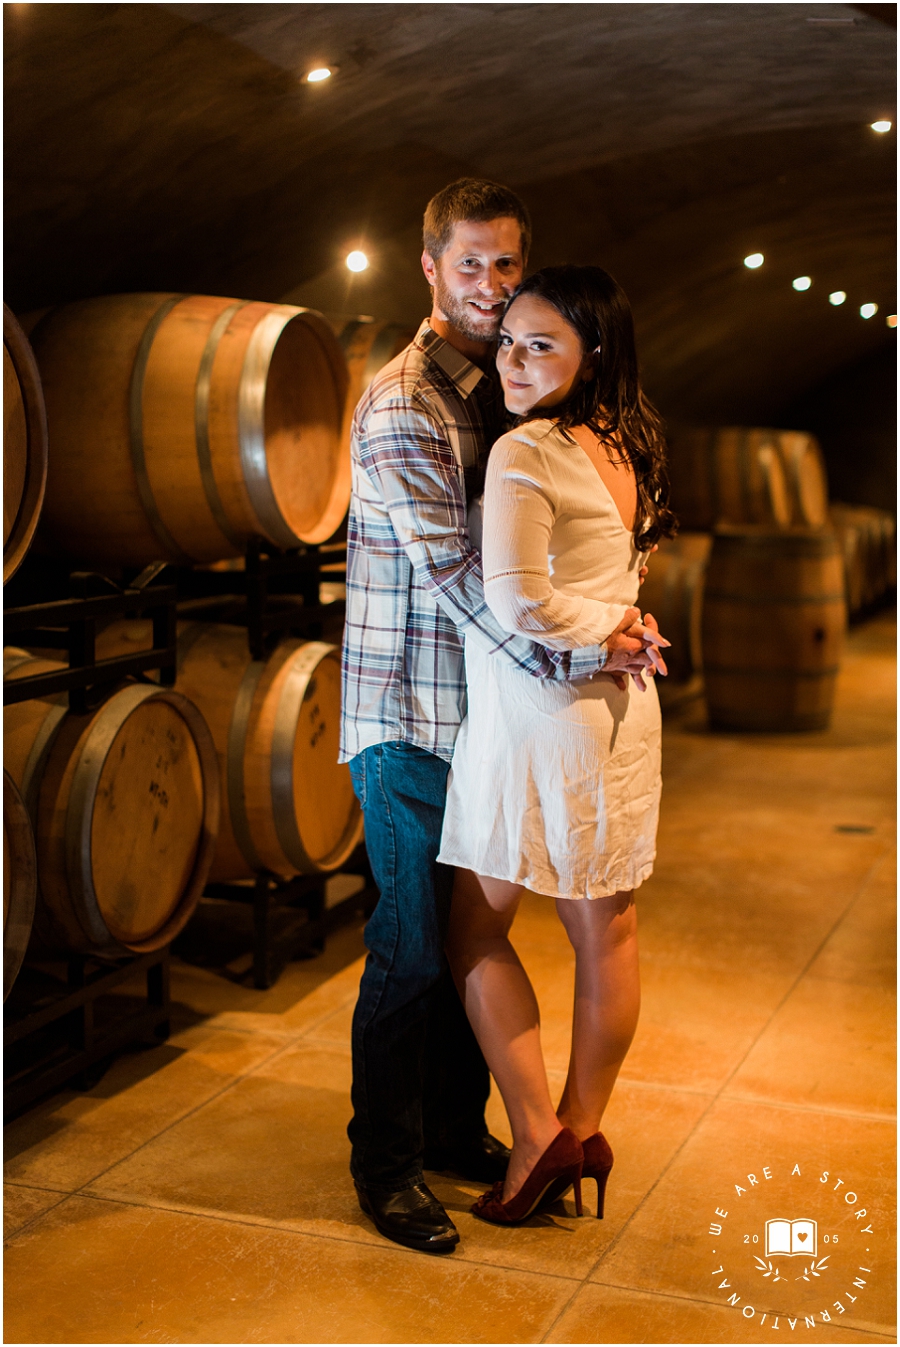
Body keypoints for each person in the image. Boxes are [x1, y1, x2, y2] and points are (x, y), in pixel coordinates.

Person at [340, 181, 663, 1255]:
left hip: (484, 714)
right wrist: (599, 639)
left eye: (507, 265)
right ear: (429, 269)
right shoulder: (404, 404)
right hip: (409, 714)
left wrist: (607, 619)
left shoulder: (496, 385)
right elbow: (469, 578)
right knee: (411, 947)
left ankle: (456, 1129)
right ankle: (385, 1167)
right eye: (470, 264)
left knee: (465, 935)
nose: (491, 285)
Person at [439, 264, 674, 1225]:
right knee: (606, 932)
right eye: (508, 342)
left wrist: (591, 634)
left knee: (473, 929)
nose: (515, 361)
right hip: (623, 712)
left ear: (593, 352)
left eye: (542, 344)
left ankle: (538, 1133)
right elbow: (617, 576)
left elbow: (515, 597)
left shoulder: (527, 450)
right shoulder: (632, 442)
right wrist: (621, 625)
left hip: (541, 714)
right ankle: (584, 1127)